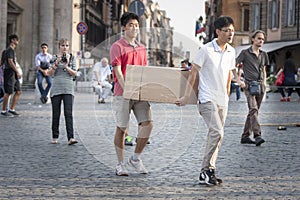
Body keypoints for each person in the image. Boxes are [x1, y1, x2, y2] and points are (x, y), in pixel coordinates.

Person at [176, 16, 243, 186]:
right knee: (217, 132)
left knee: (218, 136)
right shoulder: (206, 50)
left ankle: (209, 170)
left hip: (223, 100)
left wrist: (236, 83)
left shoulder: (231, 51)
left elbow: (231, 72)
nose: (230, 34)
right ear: (218, 31)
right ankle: (205, 170)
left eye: (232, 31)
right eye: (227, 30)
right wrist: (186, 96)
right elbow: (193, 73)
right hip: (206, 99)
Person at [110, 12, 153, 176]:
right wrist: (127, 89)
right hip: (123, 93)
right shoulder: (118, 46)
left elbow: (144, 71)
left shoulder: (142, 48)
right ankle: (120, 164)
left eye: (136, 25)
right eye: (130, 25)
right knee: (122, 128)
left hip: (140, 93)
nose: (134, 28)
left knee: (148, 124)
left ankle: (135, 158)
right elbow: (118, 71)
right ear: (123, 28)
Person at [236, 30, 269, 146]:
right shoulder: (245, 53)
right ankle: (257, 135)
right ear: (253, 39)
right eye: (259, 38)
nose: (261, 41)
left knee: (253, 111)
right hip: (249, 86)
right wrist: (239, 80)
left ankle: (245, 136)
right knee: (253, 109)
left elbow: (264, 70)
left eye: (263, 39)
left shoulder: (264, 54)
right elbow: (234, 66)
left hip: (260, 86)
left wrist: (264, 84)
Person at [45, 38, 78, 145]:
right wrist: (57, 62)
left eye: (67, 45)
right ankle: (55, 137)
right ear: (59, 46)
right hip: (56, 88)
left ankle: (71, 137)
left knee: (68, 113)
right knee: (56, 113)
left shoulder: (72, 58)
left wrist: (66, 66)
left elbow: (74, 73)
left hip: (68, 88)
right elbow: (49, 73)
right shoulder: (54, 57)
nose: (65, 48)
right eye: (63, 45)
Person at [1, 34, 22, 117]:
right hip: (9, 73)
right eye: (17, 40)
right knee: (8, 92)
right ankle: (3, 110)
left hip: (13, 73)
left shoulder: (12, 50)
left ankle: (12, 109)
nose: (18, 41)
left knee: (18, 91)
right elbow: (10, 62)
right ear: (12, 40)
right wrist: (17, 71)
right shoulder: (9, 50)